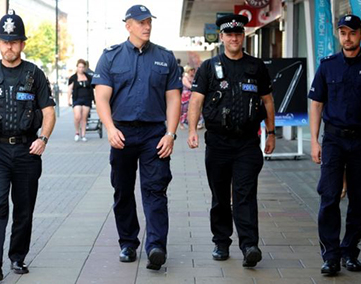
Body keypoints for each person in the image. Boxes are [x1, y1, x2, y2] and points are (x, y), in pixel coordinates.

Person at [0, 10, 56, 281]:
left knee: (24, 207)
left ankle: (17, 257)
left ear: (23, 44)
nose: (10, 46)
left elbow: (49, 111)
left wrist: (43, 139)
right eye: (5, 41)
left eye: (15, 41)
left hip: (28, 150)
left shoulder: (35, 74)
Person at [92, 5, 182, 270]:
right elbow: (102, 97)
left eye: (149, 22)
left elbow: (173, 98)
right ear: (128, 25)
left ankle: (156, 246)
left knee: (155, 189)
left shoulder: (165, 57)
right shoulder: (111, 57)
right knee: (122, 189)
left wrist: (171, 133)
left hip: (155, 133)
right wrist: (109, 129)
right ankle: (128, 242)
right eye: (141, 22)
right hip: (122, 132)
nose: (146, 26)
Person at [187, 14, 276, 268]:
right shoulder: (208, 67)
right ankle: (221, 242)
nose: (234, 38)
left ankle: (249, 245)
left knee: (245, 193)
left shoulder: (256, 66)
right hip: (217, 142)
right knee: (220, 194)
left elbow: (268, 101)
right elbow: (196, 100)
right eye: (229, 34)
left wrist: (271, 132)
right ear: (222, 37)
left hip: (248, 142)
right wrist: (192, 130)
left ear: (243, 36)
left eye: (238, 34)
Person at [308, 14, 361, 276]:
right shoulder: (327, 66)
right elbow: (316, 104)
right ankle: (331, 256)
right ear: (338, 35)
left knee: (360, 199)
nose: (347, 37)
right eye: (343, 32)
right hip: (333, 139)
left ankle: (350, 251)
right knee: (330, 196)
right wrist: (313, 140)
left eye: (352, 32)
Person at [68, 59, 94, 142]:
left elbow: (93, 89)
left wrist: (95, 99)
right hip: (77, 99)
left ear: (85, 68)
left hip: (87, 99)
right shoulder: (73, 78)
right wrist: (68, 100)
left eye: (83, 67)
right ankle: (77, 132)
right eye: (79, 67)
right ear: (77, 67)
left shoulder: (89, 77)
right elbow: (69, 89)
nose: (81, 69)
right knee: (77, 116)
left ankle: (83, 134)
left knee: (84, 118)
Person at [179, 65, 195, 129]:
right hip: (185, 95)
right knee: (184, 110)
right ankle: (182, 123)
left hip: (191, 94)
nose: (193, 72)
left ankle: (189, 122)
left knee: (191, 109)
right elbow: (189, 86)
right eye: (192, 70)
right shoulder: (185, 78)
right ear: (188, 70)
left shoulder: (192, 77)